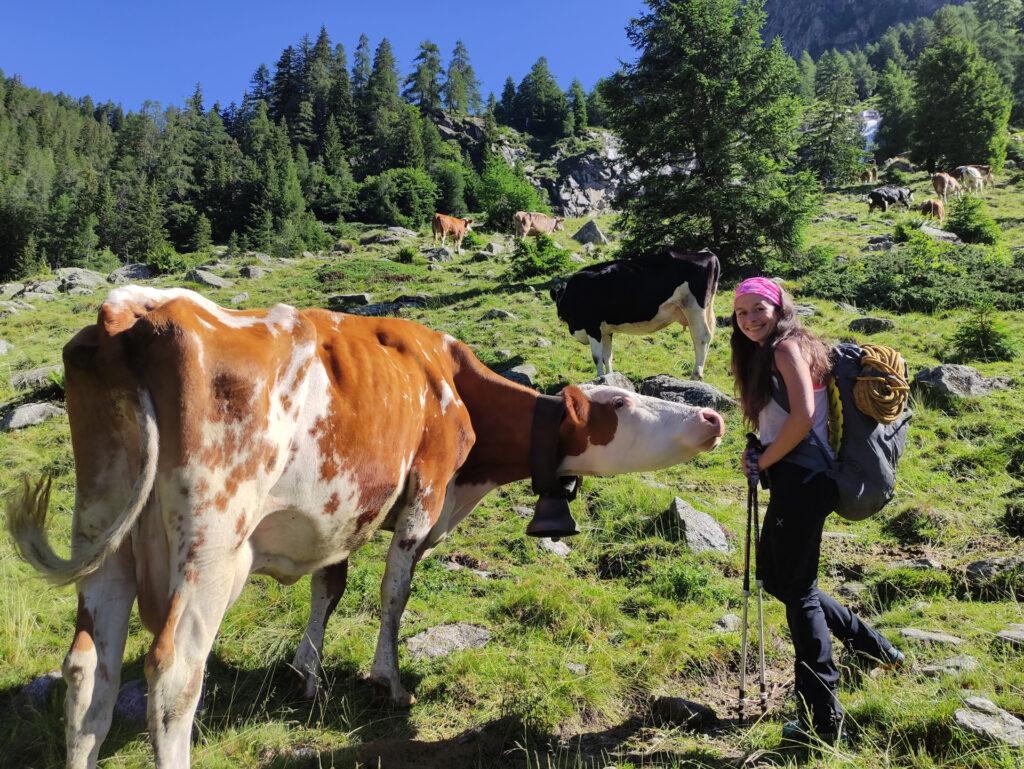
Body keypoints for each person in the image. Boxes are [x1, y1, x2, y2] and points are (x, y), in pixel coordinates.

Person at [731, 277, 904, 744]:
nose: (749, 320)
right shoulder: (787, 346)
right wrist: (765, 451)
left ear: (778, 305)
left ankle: (821, 719)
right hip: (802, 480)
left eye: (758, 309)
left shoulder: (786, 348)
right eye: (741, 312)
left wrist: (763, 459)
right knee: (778, 576)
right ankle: (874, 647)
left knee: (799, 592)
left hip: (802, 482)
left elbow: (804, 416)